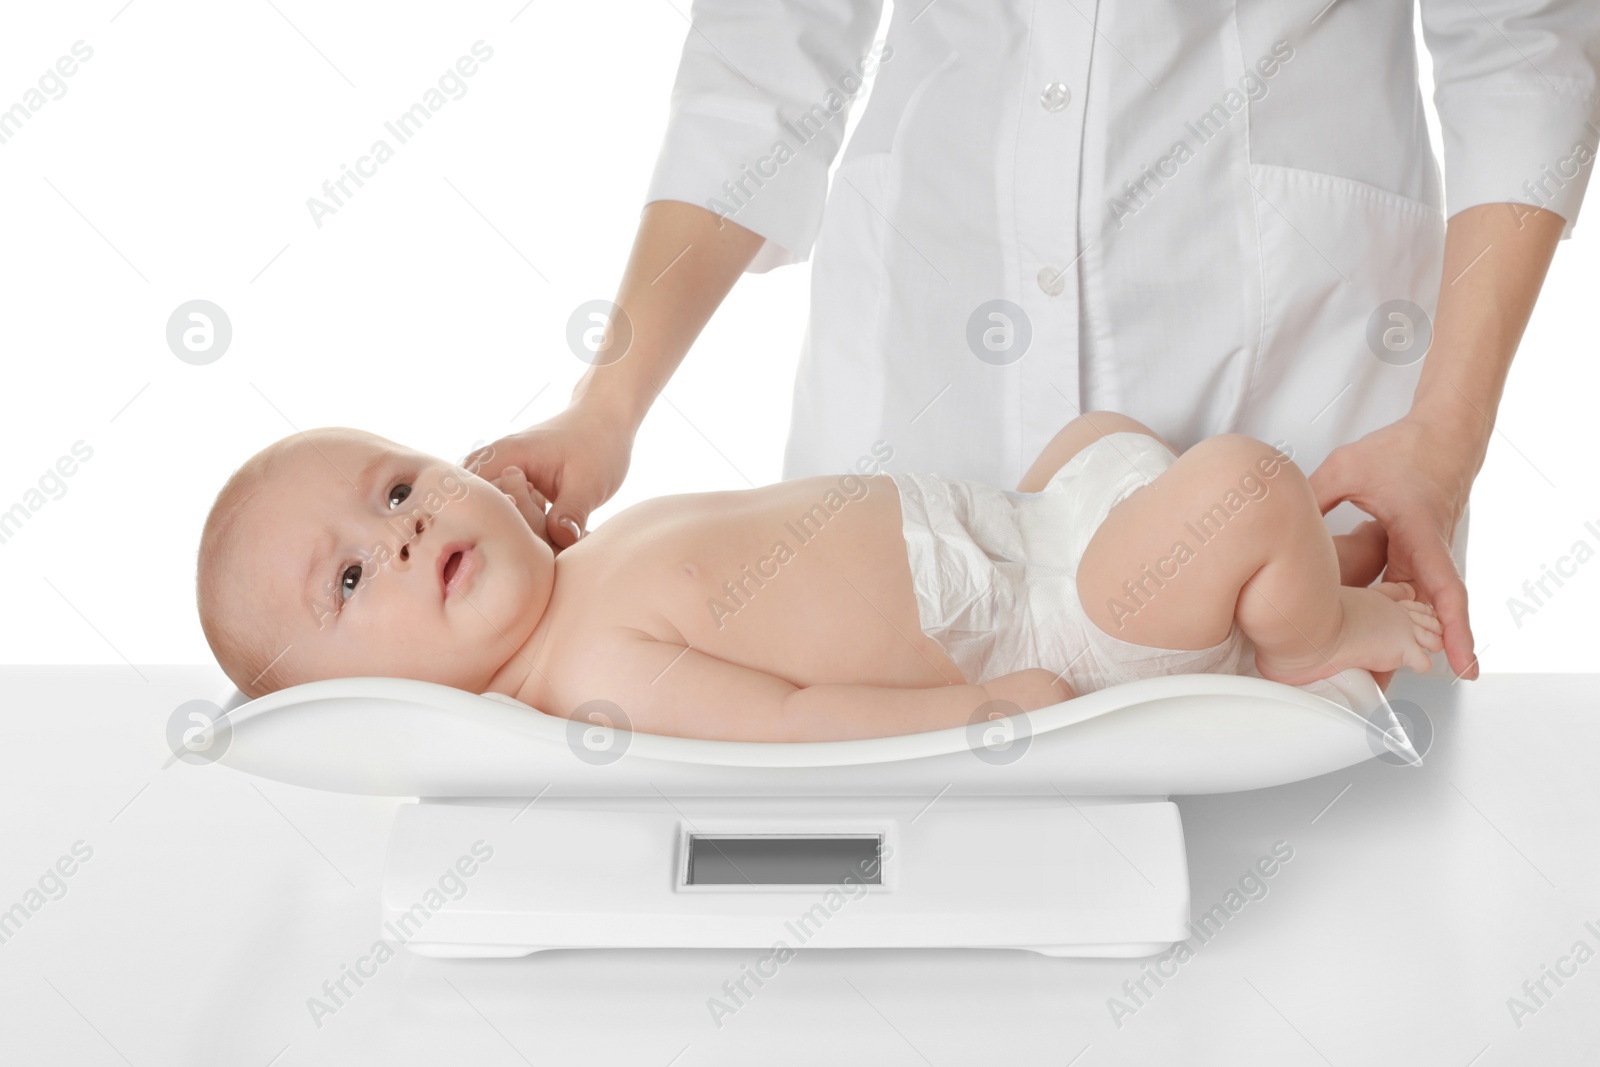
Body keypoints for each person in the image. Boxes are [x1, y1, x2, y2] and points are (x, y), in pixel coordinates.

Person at [470, 2, 1599, 691]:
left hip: (1302, 433)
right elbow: (763, 58)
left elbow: (1521, 46)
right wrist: (606, 405)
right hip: (915, 415)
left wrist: (1444, 437)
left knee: (1309, 931)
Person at [195, 416, 1442, 742]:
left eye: (399, 487)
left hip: (1031, 522)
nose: (401, 532)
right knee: (1245, 479)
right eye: (350, 578)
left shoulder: (579, 584)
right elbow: (787, 725)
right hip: (1050, 622)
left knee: (1102, 431)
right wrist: (975, 715)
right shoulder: (593, 676)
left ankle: (1262, 585)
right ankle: (1298, 633)